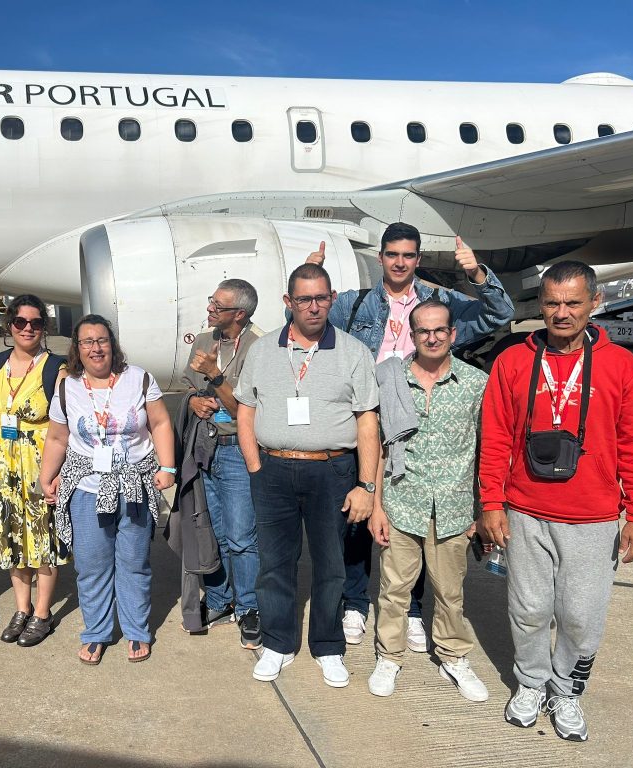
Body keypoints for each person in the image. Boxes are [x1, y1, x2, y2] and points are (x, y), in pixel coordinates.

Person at [309, 223, 513, 652]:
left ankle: (414, 610)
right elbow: (310, 316)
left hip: (419, 419)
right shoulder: (355, 302)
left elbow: (497, 314)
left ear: (418, 259)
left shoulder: (441, 304)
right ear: (381, 257)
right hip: (365, 418)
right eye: (392, 254)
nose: (399, 263)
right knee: (358, 513)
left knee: (418, 519)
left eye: (407, 255)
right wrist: (311, 275)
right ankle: (354, 602)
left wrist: (476, 274)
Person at [479, 260, 633, 742]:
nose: (562, 313)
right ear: (540, 305)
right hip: (526, 511)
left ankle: (566, 690)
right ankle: (531, 683)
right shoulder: (513, 361)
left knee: (581, 616)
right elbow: (495, 437)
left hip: (593, 517)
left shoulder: (623, 367)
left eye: (573, 303)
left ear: (595, 302)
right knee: (528, 610)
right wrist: (491, 502)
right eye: (552, 303)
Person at [235, 264, 380, 689]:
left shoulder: (354, 352)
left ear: (332, 299)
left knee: (331, 563)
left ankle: (328, 645)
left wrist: (366, 485)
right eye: (304, 299)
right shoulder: (263, 350)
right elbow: (246, 410)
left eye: (321, 298)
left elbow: (367, 422)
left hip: (331, 470)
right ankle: (278, 642)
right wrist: (255, 466)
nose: (313, 307)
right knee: (274, 562)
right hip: (273, 469)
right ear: (289, 302)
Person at [366, 300, 489, 702]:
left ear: (452, 334)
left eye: (439, 331)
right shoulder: (391, 380)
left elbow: (488, 450)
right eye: (423, 331)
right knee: (394, 590)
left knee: (450, 592)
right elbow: (382, 448)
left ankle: (453, 656)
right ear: (412, 334)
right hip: (402, 502)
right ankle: (389, 656)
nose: (432, 338)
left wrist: (482, 510)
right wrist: (377, 507)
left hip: (453, 506)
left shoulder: (475, 383)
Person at [39, 315, 175, 665]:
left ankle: (136, 630)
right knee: (91, 565)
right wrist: (47, 476)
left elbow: (160, 422)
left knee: (134, 562)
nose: (96, 348)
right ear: (77, 348)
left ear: (112, 344)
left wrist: (167, 467)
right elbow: (57, 438)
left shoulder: (138, 379)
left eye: (101, 340)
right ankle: (96, 632)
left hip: (134, 486)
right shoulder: (67, 387)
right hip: (87, 487)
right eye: (87, 342)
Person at [0, 295, 69, 648]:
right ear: (9, 325)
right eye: (20, 322)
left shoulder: (55, 368)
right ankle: (22, 608)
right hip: (3, 465)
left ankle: (42, 613)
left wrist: (58, 471)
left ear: (44, 327)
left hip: (39, 465)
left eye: (36, 323)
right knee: (13, 537)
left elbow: (65, 425)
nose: (28, 328)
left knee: (43, 540)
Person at [182, 279, 264, 648]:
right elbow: (188, 387)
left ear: (240, 314)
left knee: (241, 536)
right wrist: (193, 401)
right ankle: (219, 600)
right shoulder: (204, 339)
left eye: (218, 305)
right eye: (211, 301)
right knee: (211, 531)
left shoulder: (258, 347)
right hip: (205, 446)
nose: (210, 309)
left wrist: (215, 375)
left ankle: (248, 608)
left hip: (236, 449)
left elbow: (243, 410)